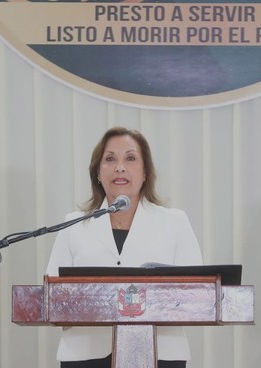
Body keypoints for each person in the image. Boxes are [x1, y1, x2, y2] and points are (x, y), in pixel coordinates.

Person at [45, 127, 203, 368]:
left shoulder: (175, 222)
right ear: (98, 173)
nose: (120, 167)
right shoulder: (73, 224)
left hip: (160, 353)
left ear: (145, 173)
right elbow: (52, 295)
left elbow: (197, 295)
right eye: (110, 159)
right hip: (85, 354)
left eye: (130, 158)